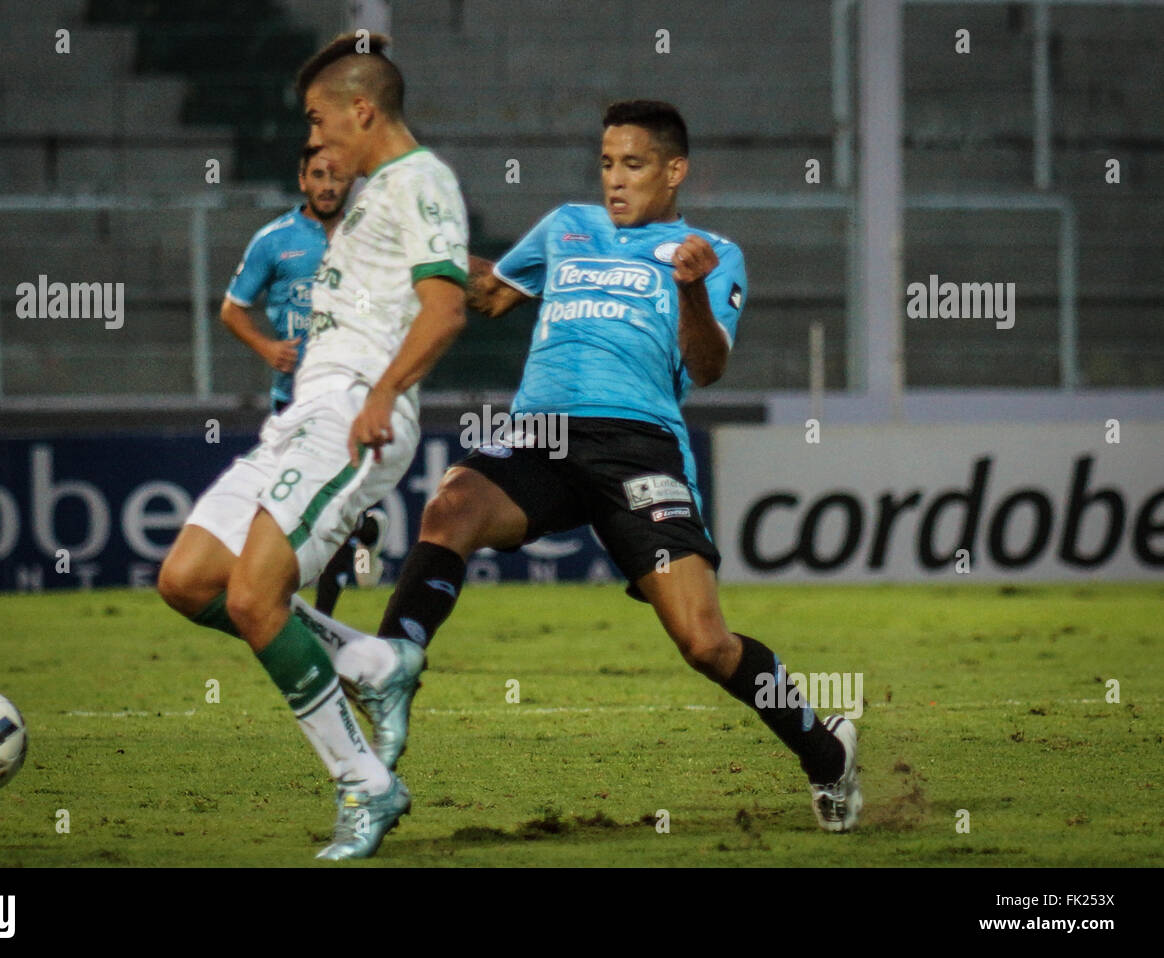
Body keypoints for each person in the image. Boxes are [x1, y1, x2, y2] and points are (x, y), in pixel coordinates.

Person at [307, 99, 862, 833]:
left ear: (674, 171)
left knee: (704, 643)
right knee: (452, 506)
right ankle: (391, 665)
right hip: (539, 433)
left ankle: (826, 753)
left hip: (637, 444)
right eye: (606, 163)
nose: (615, 180)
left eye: (633, 165)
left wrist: (690, 288)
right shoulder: (567, 227)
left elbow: (709, 364)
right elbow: (492, 294)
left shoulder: (710, 251)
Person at [156, 31, 469, 859]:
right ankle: (370, 661)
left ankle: (366, 785)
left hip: (355, 412)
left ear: (362, 111)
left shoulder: (421, 178)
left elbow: (443, 308)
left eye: (318, 119)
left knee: (258, 599)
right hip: (303, 414)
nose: (314, 140)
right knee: (189, 580)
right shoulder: (374, 196)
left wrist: (385, 392)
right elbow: (431, 273)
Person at [219, 144, 387, 616]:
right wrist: (268, 348)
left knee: (323, 510)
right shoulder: (274, 240)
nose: (329, 186)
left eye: (337, 177)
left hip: (351, 398)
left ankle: (324, 621)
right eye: (319, 175)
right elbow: (232, 309)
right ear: (303, 180)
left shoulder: (369, 237)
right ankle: (365, 532)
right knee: (291, 511)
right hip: (290, 401)